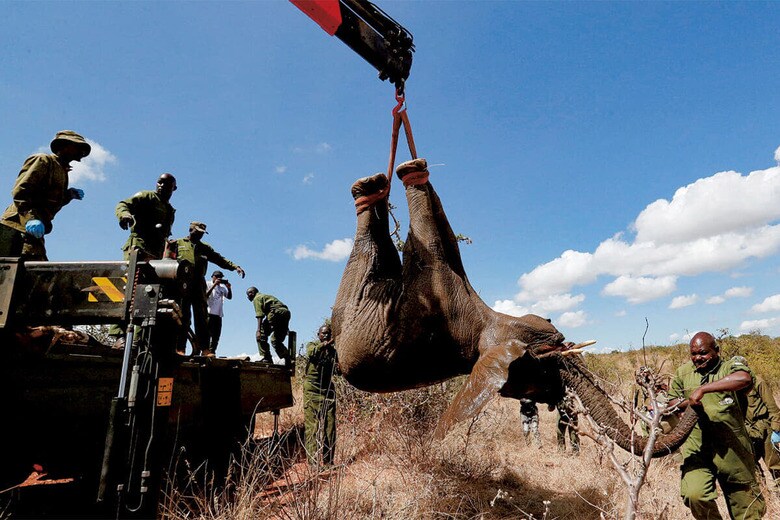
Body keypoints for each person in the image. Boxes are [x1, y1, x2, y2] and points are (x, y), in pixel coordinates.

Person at [667, 332, 765, 520]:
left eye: (703, 353)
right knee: (695, 494)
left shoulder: (729, 367)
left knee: (747, 511)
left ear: (716, 351)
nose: (698, 358)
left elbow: (744, 379)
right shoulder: (683, 372)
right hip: (697, 448)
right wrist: (688, 403)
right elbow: (671, 402)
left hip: (733, 450)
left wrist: (703, 389)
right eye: (693, 354)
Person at [108, 173, 177, 347]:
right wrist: (125, 215)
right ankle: (118, 334)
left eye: (166, 183)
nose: (161, 185)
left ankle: (139, 338)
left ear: (174, 188)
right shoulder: (146, 196)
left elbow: (165, 234)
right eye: (159, 182)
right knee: (128, 287)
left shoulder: (170, 210)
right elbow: (124, 204)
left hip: (156, 255)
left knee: (147, 294)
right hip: (138, 247)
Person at [0, 130, 90, 260]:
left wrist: (68, 195)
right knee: (27, 271)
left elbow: (48, 201)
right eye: (78, 147)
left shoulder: (62, 170)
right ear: (64, 146)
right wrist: (31, 219)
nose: (81, 153)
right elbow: (21, 191)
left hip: (32, 231)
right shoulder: (43, 160)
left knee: (39, 271)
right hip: (16, 228)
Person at [176, 222, 245, 356]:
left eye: (202, 233)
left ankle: (205, 349)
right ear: (190, 230)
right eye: (198, 231)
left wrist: (234, 267)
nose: (200, 234)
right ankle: (180, 348)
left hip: (198, 283)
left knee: (201, 317)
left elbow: (220, 259)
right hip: (183, 282)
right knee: (183, 316)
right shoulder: (178, 243)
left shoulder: (205, 248)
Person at [733, 356, 780, 484]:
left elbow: (773, 408)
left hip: (765, 427)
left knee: (774, 464)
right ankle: (763, 494)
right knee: (750, 464)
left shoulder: (758, 382)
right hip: (747, 429)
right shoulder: (732, 386)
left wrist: (776, 430)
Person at [304, 324, 339, 466]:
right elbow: (311, 352)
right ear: (318, 335)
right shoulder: (312, 345)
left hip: (328, 390)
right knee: (312, 428)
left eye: (328, 334)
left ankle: (329, 461)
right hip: (312, 391)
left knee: (330, 428)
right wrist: (326, 344)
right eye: (323, 333)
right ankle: (312, 463)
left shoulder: (333, 353)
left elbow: (337, 371)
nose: (326, 335)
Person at [245, 286, 291, 368]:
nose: (247, 297)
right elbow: (282, 310)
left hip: (275, 312)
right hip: (286, 313)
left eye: (248, 295)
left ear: (251, 293)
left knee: (261, 335)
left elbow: (260, 315)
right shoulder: (265, 296)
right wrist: (285, 326)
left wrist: (258, 330)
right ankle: (287, 358)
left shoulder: (257, 298)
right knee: (275, 340)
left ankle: (267, 357)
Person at [206, 270, 232, 355]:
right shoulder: (207, 284)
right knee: (207, 334)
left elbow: (229, 297)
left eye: (220, 277)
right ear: (212, 276)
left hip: (218, 315)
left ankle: (212, 351)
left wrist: (229, 288)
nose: (219, 278)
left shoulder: (222, 288)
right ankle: (205, 351)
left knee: (216, 335)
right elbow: (205, 295)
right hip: (209, 313)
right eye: (217, 276)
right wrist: (214, 285)